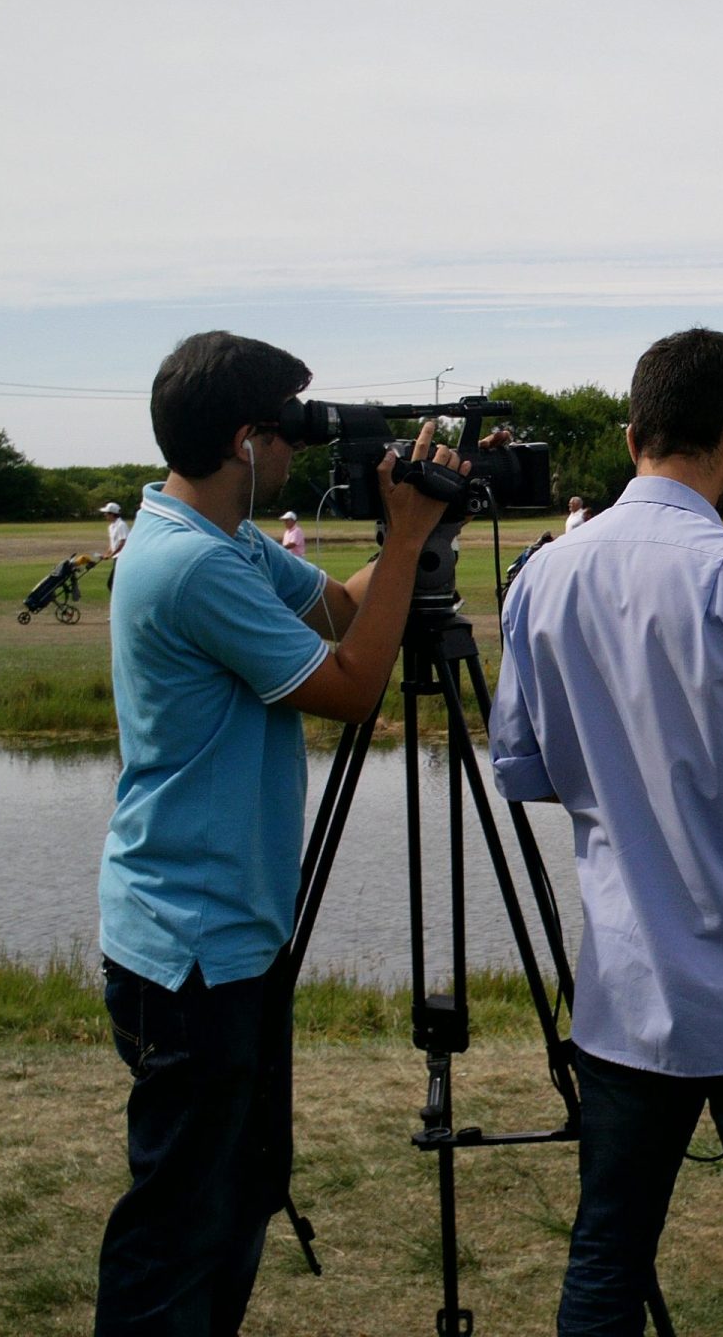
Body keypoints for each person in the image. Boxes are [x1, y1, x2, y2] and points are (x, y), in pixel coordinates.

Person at [489, 327, 723, 1336]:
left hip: (621, 995)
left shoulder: (541, 580)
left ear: (631, 435)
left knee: (604, 1268)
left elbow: (521, 769)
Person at [94, 330, 467, 1336]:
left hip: (225, 939)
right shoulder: (189, 567)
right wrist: (403, 537)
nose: (297, 451)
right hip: (192, 955)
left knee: (235, 1200)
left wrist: (409, 522)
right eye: (288, 432)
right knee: (178, 1230)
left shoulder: (218, 539)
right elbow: (350, 688)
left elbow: (341, 612)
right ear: (245, 441)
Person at [101, 501, 131, 594]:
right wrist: (107, 554)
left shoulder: (121, 525)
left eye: (106, 513)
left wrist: (111, 555)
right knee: (114, 584)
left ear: (112, 514)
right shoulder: (111, 526)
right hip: (116, 558)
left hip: (122, 558)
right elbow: (113, 544)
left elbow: (123, 542)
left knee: (111, 584)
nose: (105, 515)